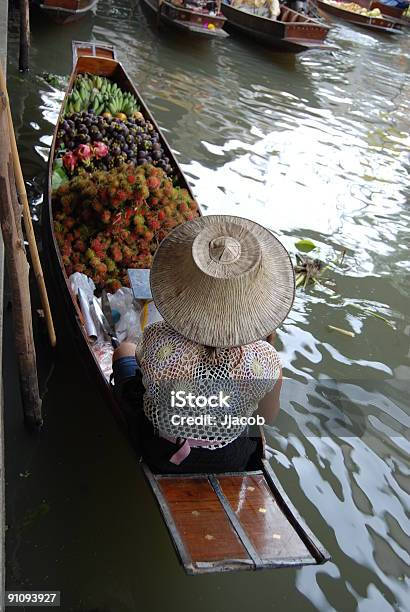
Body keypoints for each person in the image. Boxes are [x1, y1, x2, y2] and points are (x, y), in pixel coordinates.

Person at [112, 214, 295, 473]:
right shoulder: (266, 360)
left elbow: (149, 378)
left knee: (124, 350)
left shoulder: (158, 339)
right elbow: (268, 417)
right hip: (231, 457)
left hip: (162, 452)